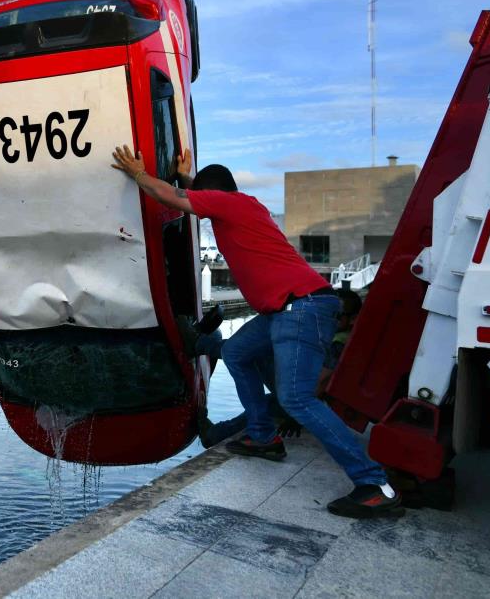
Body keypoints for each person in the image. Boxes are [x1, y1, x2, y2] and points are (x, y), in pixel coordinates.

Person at [112, 144, 401, 518]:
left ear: (214, 193)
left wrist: (138, 174)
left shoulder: (233, 205)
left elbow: (175, 198)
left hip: (301, 307)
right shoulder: (241, 207)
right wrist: (187, 179)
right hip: (285, 309)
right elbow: (197, 196)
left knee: (297, 399)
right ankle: (264, 437)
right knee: (236, 352)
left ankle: (374, 483)